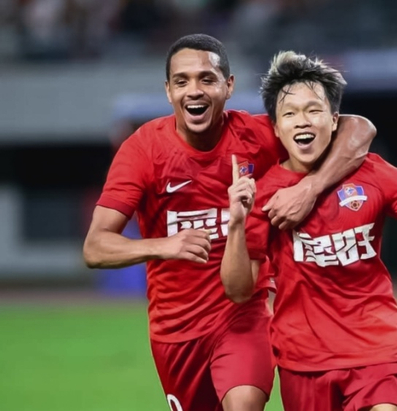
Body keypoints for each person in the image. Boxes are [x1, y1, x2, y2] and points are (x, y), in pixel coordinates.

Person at [82, 34, 377, 411]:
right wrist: (163, 245)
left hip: (243, 315)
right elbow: (95, 247)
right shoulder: (143, 151)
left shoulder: (258, 137)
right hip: (176, 330)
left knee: (243, 404)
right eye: (182, 81)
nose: (195, 90)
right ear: (169, 91)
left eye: (207, 79)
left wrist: (311, 187)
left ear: (229, 86)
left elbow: (359, 128)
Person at [221, 51, 397, 411]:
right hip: (303, 362)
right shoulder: (264, 194)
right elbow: (238, 290)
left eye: (313, 110)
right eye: (290, 114)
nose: (302, 121)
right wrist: (236, 223)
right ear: (277, 128)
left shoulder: (375, 173)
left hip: (376, 354)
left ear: (334, 120)